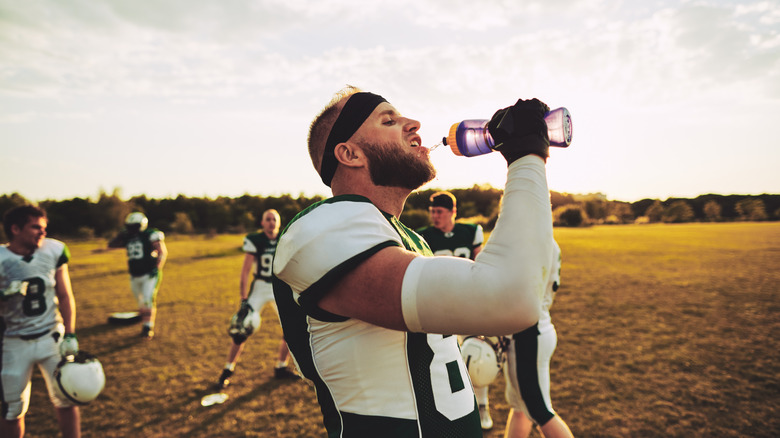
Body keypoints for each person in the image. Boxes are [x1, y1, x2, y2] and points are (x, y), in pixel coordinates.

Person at [273, 86, 555, 437]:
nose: (413, 123)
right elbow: (512, 296)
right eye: (389, 120)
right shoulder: (323, 228)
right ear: (349, 153)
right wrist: (526, 155)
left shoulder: (410, 238)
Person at [416, 191, 497, 430]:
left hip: (469, 304)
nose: (435, 216)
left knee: (477, 354)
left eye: (439, 211)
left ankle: (482, 405)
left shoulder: (470, 231)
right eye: (432, 211)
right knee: (443, 360)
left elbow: (479, 265)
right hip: (440, 308)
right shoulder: (423, 237)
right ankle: (447, 408)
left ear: (453, 212)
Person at [1, 205, 82, 438]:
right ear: (15, 229)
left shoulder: (53, 250)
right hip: (13, 341)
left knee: (67, 398)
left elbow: (65, 295)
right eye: (35, 227)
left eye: (44, 227)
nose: (42, 232)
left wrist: (70, 332)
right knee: (12, 409)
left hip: (51, 336)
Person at [216, 209, 297, 390]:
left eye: (274, 219)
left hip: (279, 287)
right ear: (262, 223)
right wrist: (244, 298)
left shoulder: (285, 238)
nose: (271, 223)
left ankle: (281, 366)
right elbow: (245, 271)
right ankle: (227, 370)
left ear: (279, 222)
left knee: (291, 328)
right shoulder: (256, 240)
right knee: (241, 329)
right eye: (267, 219)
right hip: (260, 287)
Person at [503, 240, 574, 438]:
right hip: (539, 328)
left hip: (528, 335)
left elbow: (509, 291)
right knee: (520, 407)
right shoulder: (549, 241)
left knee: (539, 411)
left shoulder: (528, 242)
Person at [107, 212, 167, 339]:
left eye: (134, 226)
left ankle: (147, 327)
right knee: (140, 302)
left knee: (147, 299)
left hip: (149, 274)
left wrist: (156, 268)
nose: (132, 229)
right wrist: (120, 235)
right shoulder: (127, 236)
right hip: (134, 275)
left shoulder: (150, 235)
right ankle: (144, 319)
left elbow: (162, 252)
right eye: (130, 226)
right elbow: (111, 244)